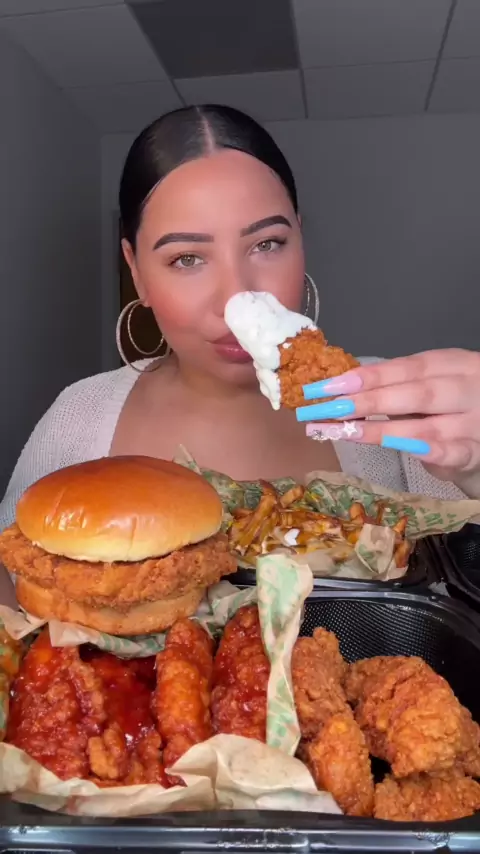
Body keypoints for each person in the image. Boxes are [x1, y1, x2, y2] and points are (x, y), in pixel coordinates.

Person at [1, 104, 479, 535]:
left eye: (267, 244)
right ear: (136, 271)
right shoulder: (77, 418)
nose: (237, 297)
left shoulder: (394, 408)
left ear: (300, 241)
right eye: (187, 258)